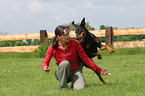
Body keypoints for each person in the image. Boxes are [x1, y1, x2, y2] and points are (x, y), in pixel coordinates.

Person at [42, 25, 111, 90]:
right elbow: (45, 62)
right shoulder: (52, 47)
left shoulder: (75, 44)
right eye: (66, 35)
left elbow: (85, 58)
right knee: (65, 63)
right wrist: (45, 67)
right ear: (59, 37)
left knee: (81, 88)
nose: (69, 36)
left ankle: (74, 84)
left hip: (75, 71)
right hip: (62, 73)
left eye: (69, 34)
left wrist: (99, 70)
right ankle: (63, 88)